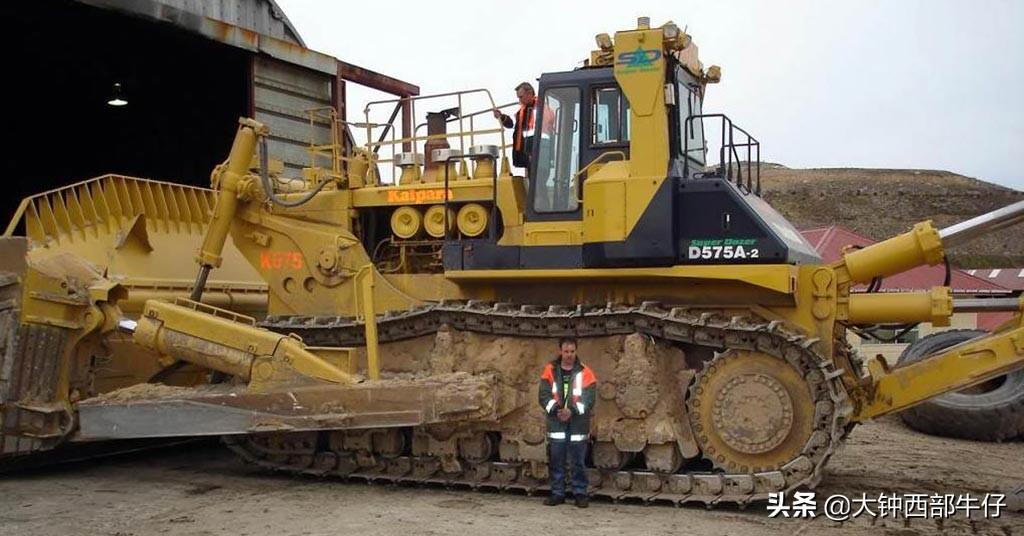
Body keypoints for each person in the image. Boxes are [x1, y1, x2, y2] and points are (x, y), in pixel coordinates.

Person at [537, 336, 597, 507]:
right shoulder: (550, 370)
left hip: (578, 423)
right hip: (556, 421)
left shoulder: (586, 372)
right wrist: (556, 409)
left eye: (572, 351)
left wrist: (572, 411)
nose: (569, 355)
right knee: (556, 460)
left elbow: (589, 399)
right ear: (560, 351)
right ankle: (557, 493)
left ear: (576, 351)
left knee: (578, 461)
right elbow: (543, 395)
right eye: (566, 351)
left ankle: (580, 494)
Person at [493, 82, 553, 170]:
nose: (519, 100)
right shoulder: (523, 110)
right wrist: (501, 117)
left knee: (538, 176)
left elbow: (544, 134)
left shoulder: (542, 109)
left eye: (521, 97)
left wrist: (534, 153)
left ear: (529, 94)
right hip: (528, 154)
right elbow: (513, 124)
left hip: (539, 154)